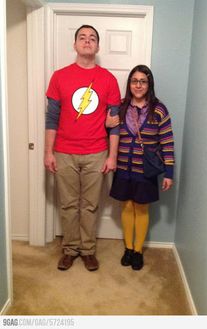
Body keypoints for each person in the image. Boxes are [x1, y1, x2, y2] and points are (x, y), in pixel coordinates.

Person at [44, 25, 120, 271]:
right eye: (82, 37)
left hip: (97, 153)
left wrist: (112, 156)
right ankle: (70, 249)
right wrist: (48, 151)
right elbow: (52, 118)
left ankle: (87, 250)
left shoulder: (108, 79)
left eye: (92, 38)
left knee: (90, 205)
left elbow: (115, 124)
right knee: (67, 205)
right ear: (75, 44)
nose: (87, 41)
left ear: (97, 47)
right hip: (63, 152)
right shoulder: (59, 77)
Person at [110, 64, 175, 270]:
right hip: (122, 168)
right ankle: (128, 248)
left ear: (149, 84)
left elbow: (167, 141)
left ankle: (138, 251)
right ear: (129, 83)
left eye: (143, 81)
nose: (138, 85)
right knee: (126, 207)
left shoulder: (158, 109)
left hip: (145, 170)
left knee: (142, 208)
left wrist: (169, 172)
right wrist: (106, 123)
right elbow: (110, 133)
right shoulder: (120, 106)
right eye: (134, 81)